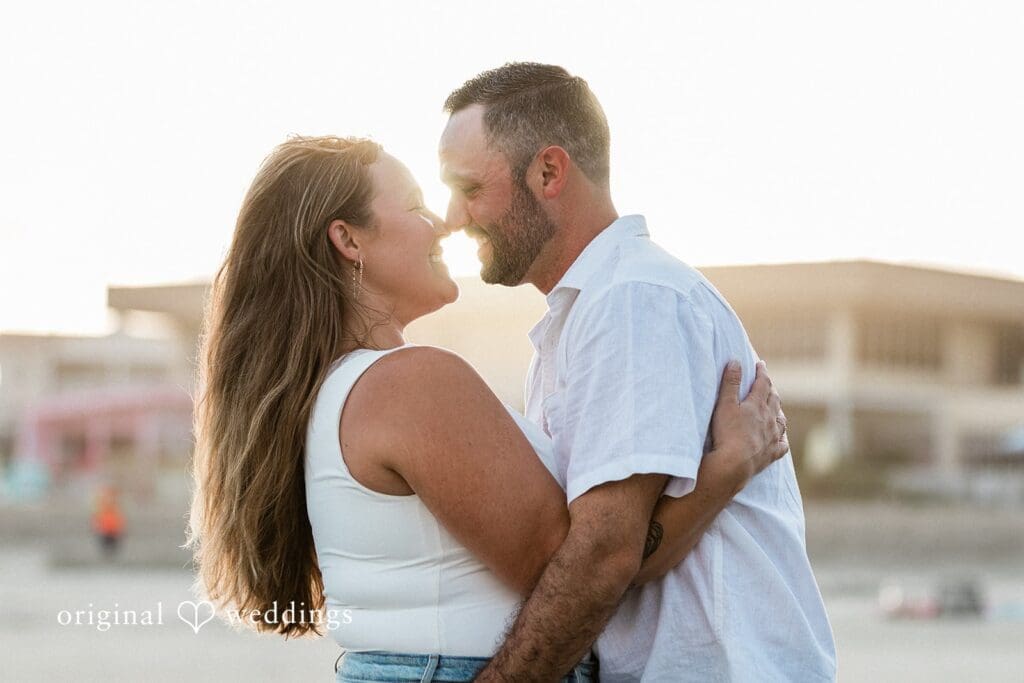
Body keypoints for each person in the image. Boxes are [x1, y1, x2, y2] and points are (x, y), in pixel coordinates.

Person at [185, 135, 788, 682]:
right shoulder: (411, 384)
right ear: (347, 240)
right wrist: (722, 474)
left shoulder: (334, 393)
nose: (444, 226)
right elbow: (575, 571)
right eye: (418, 207)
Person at [438, 63, 837, 682]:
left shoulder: (631, 301)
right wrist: (723, 472)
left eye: (468, 187)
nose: (453, 217)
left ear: (549, 172)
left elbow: (605, 552)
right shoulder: (593, 310)